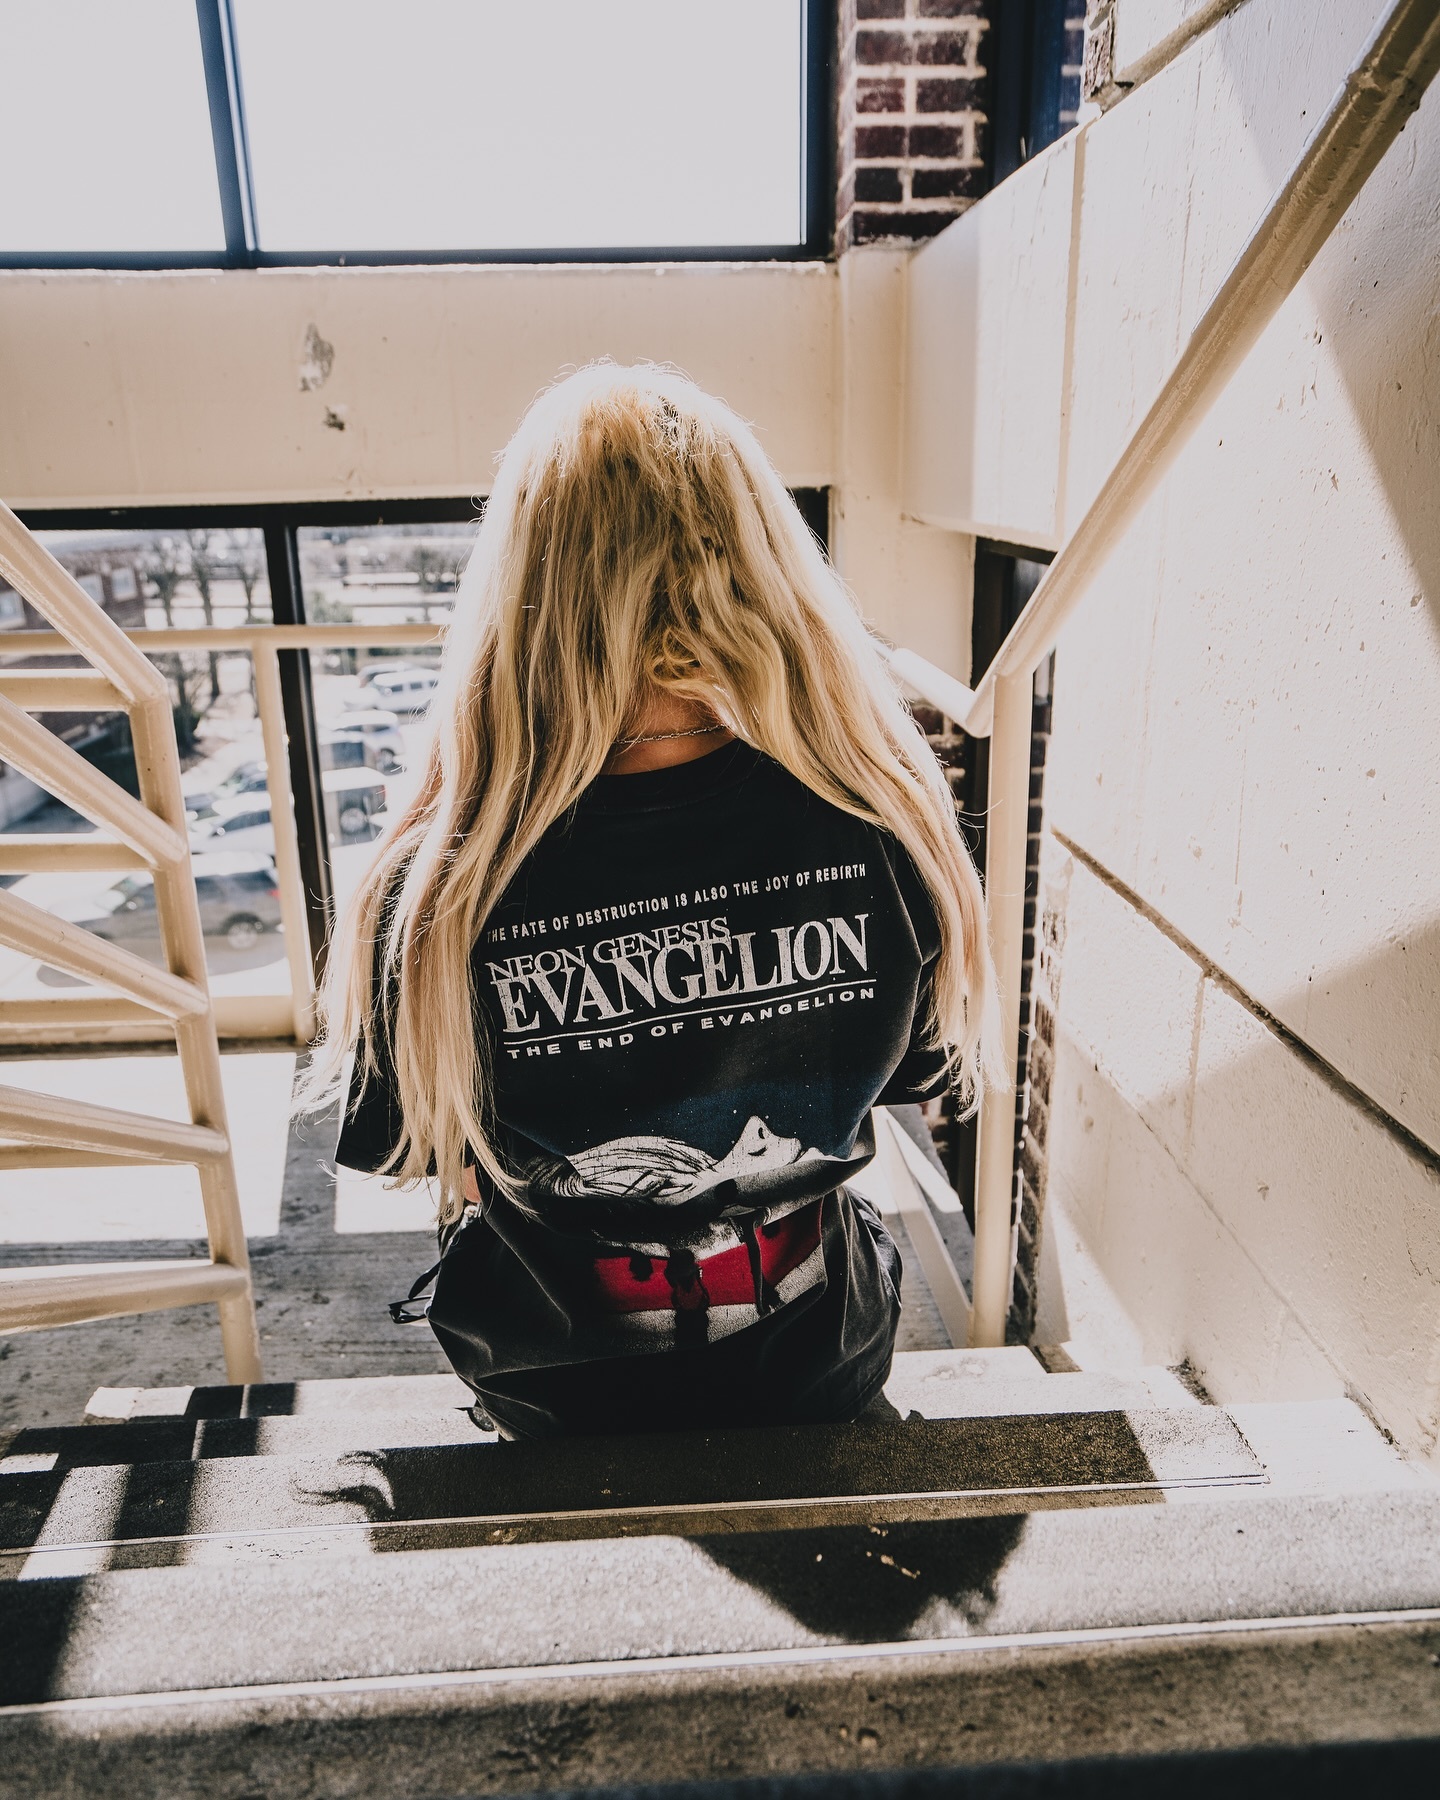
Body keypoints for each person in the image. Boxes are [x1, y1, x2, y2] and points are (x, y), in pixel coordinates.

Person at [300, 363, 1001, 1439]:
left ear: (523, 589)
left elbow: (435, 1155)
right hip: (818, 1365)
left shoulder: (436, 881)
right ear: (763, 563)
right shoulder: (882, 818)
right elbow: (904, 1076)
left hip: (557, 1390)